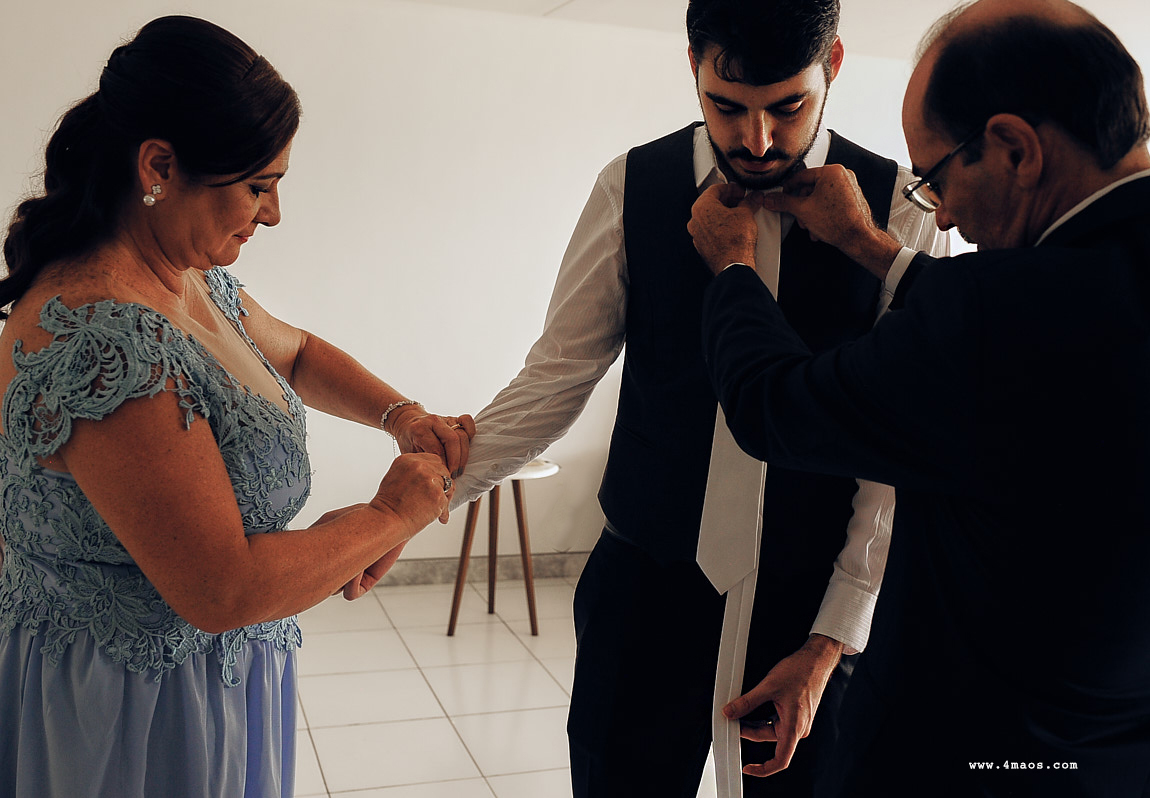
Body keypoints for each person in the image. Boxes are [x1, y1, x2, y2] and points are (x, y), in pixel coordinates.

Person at [689, 0, 1150, 794]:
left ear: (1015, 148)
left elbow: (772, 406)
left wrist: (732, 271)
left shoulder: (996, 317)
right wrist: (871, 246)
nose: (946, 216)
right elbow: (1035, 344)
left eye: (935, 178)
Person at [453, 0, 946, 794]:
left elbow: (896, 451)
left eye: (788, 107)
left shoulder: (896, 210)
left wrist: (833, 637)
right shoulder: (630, 185)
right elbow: (557, 375)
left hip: (811, 605)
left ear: (833, 65)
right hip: (643, 589)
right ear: (692, 65)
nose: (758, 141)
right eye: (727, 107)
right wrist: (424, 495)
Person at [0, 16, 474, 798]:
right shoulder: (103, 335)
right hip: (129, 712)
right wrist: (391, 516)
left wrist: (402, 416)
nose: (274, 213)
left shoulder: (187, 276)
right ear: (159, 165)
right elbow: (223, 589)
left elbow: (297, 353)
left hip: (209, 682)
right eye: (258, 186)